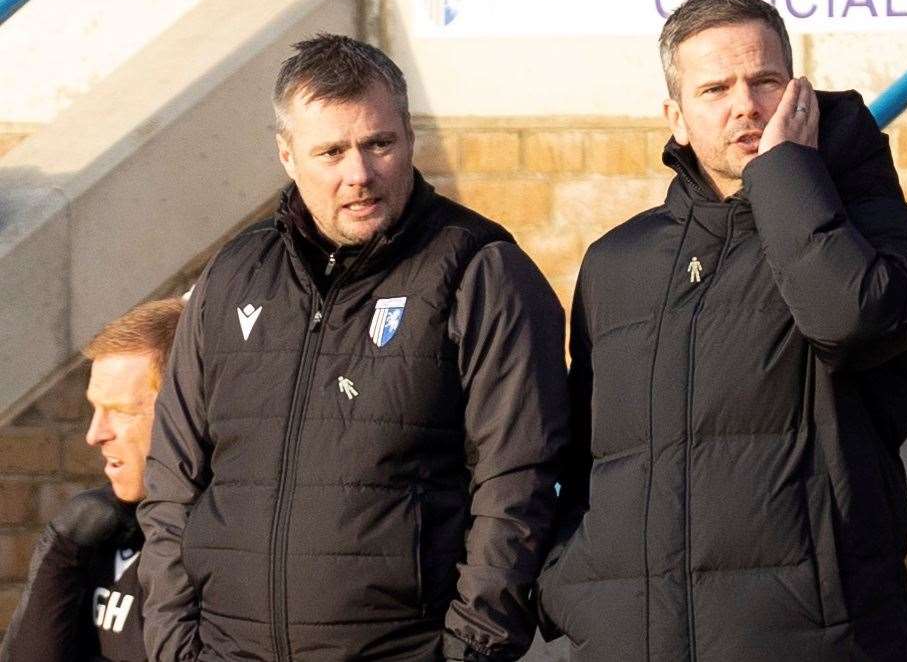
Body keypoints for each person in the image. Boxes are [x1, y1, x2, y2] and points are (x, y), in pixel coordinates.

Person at [536, 0, 907, 661]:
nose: (745, 105)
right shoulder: (617, 263)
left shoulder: (872, 225)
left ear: (798, 94)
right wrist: (575, 589)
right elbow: (586, 452)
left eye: (765, 82)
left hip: (817, 643)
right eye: (716, 88)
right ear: (675, 117)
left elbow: (853, 318)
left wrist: (784, 170)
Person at [137, 34, 568, 662]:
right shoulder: (231, 276)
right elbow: (174, 480)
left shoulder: (480, 271)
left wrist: (471, 653)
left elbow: (518, 488)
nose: (359, 174)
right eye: (331, 151)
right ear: (287, 155)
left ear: (409, 137)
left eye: (379, 144)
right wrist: (176, 648)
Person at [1, 298, 184, 662]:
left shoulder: (227, 551)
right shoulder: (96, 538)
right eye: (95, 408)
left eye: (121, 411)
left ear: (184, 412)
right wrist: (60, 552)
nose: (94, 434)